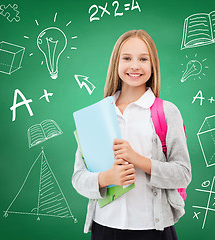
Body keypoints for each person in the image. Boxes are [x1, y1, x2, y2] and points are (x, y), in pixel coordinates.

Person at [72, 29, 191, 240]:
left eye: (143, 59)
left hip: (153, 230)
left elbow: (183, 174)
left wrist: (138, 160)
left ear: (152, 65)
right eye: (127, 58)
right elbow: (78, 178)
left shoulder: (166, 112)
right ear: (116, 63)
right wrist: (106, 178)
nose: (135, 65)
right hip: (104, 228)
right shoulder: (96, 116)